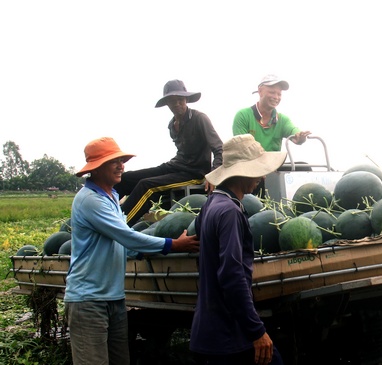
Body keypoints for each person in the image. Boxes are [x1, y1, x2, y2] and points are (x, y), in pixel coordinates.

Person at [64, 137, 199, 365]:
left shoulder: (112, 197)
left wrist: (141, 252)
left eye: (121, 160)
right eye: (113, 162)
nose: (121, 166)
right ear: (96, 169)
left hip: (114, 298)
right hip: (88, 301)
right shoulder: (90, 200)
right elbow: (126, 236)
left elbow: (121, 243)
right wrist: (172, 245)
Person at [190, 134, 286, 365]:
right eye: (257, 170)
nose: (262, 176)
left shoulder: (211, 204)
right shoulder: (230, 213)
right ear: (241, 172)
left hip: (209, 333)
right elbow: (232, 275)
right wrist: (256, 331)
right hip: (229, 335)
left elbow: (205, 247)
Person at [115, 79, 223, 227]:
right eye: (172, 101)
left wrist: (213, 175)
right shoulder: (172, 125)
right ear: (167, 103)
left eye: (180, 99)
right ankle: (105, 216)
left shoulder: (199, 118)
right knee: (125, 179)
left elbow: (219, 148)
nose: (177, 104)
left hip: (194, 173)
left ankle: (118, 228)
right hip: (175, 165)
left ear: (186, 99)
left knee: (147, 185)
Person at [232, 74, 312, 196]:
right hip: (250, 169)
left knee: (305, 168)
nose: (276, 97)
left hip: (272, 168)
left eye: (279, 94)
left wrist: (299, 137)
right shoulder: (243, 115)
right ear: (260, 91)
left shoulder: (282, 119)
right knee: (257, 178)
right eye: (272, 92)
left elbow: (293, 131)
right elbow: (242, 148)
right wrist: (260, 166)